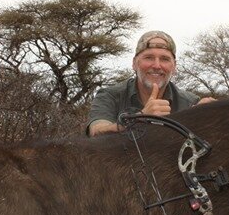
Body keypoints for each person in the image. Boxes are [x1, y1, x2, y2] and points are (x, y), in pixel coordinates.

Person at [86, 30, 214, 136]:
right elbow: (96, 131)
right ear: (134, 64)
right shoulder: (109, 95)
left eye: (164, 59)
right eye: (149, 58)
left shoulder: (190, 102)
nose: (157, 65)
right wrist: (140, 118)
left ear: (174, 67)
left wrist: (208, 117)